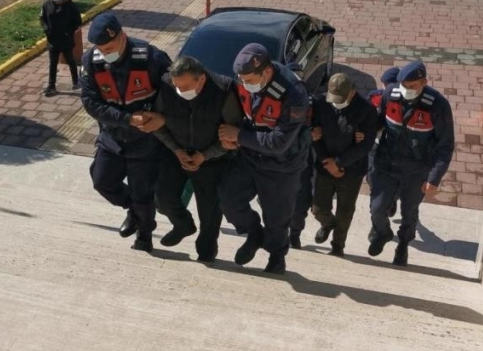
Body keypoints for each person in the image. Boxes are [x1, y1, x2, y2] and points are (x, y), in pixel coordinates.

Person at [80, 12, 172, 252]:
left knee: (143, 192)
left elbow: (174, 95)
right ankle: (134, 210)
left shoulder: (151, 57)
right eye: (100, 48)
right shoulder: (91, 62)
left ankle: (144, 235)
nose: (105, 52)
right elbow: (91, 104)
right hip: (113, 137)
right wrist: (127, 119)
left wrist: (163, 118)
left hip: (146, 142)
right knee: (102, 181)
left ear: (123, 36)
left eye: (109, 46)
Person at [217, 43, 311, 274]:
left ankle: (277, 257)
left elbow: (279, 143)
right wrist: (230, 137)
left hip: (282, 166)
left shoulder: (294, 94)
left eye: (249, 79)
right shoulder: (243, 81)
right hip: (249, 156)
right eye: (242, 78)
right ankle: (254, 233)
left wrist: (238, 135)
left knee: (277, 219)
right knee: (228, 199)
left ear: (266, 71)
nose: (245, 83)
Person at [148, 56, 241, 262]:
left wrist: (205, 155)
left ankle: (207, 251)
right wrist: (176, 150)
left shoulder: (224, 90)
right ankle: (183, 224)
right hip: (176, 153)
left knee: (209, 211)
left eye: (186, 87)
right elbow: (158, 124)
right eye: (177, 86)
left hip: (211, 159)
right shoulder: (166, 85)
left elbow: (232, 136)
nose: (180, 91)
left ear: (201, 80)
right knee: (162, 198)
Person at [368, 61, 455, 266]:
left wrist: (434, 178)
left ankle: (403, 245)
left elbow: (445, 146)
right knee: (377, 208)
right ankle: (383, 233)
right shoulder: (390, 95)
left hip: (417, 170)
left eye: (412, 85)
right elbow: (378, 121)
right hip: (387, 164)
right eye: (403, 85)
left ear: (424, 82)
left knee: (409, 212)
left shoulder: (438, 106)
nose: (407, 90)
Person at [309, 74, 378, 257]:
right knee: (318, 208)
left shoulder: (367, 110)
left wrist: (339, 164)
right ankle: (327, 223)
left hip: (352, 170)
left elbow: (365, 145)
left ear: (352, 92)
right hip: (324, 165)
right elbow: (316, 134)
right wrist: (328, 162)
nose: (336, 102)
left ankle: (338, 245)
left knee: (345, 211)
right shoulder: (321, 103)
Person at [367, 67, 401, 222]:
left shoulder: (403, 102)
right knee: (372, 176)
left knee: (394, 179)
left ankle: (391, 199)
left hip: (394, 148)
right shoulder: (374, 97)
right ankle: (377, 204)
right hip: (375, 145)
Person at [39, 0, 82, 97]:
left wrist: (69, 32)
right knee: (53, 63)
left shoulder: (70, 6)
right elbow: (42, 19)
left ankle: (76, 81)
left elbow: (77, 21)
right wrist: (46, 29)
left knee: (70, 61)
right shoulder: (46, 5)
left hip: (66, 40)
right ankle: (51, 86)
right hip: (52, 40)